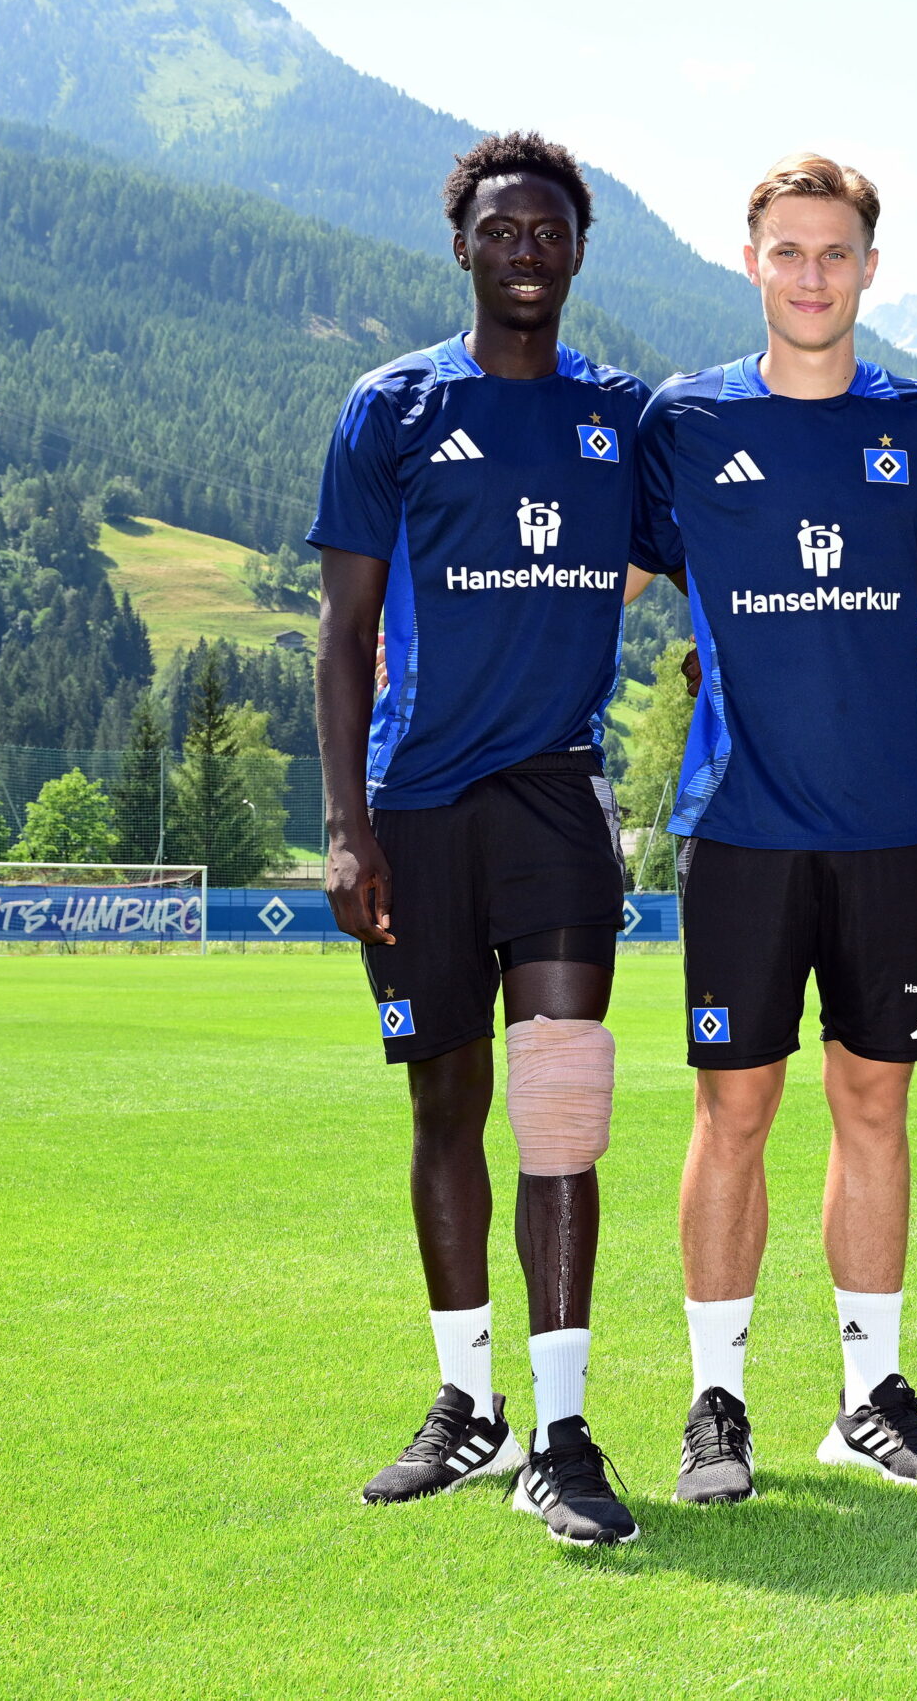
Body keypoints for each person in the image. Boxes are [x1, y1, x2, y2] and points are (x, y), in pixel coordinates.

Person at [311, 130, 665, 1549]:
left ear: (580, 251)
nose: (526, 250)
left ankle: (564, 1431)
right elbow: (339, 638)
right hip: (417, 814)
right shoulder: (390, 408)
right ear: (462, 244)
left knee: (563, 1110)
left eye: (550, 231)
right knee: (443, 1107)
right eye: (501, 230)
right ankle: (468, 1408)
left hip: (558, 802)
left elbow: (756, 541)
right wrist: (347, 832)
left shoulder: (627, 418)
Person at [632, 154, 917, 1505]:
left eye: (837, 253)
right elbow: (609, 570)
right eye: (790, 251)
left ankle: (869, 1397)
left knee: (873, 1103)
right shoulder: (686, 423)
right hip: (741, 828)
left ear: (871, 267)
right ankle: (716, 1402)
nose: (814, 275)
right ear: (752, 259)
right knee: (735, 1110)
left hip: (891, 827)